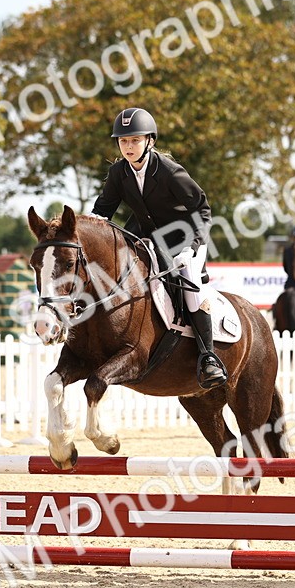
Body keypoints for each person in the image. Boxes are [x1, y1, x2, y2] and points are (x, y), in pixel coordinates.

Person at [89, 107, 228, 389]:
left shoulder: (169, 171)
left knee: (187, 275)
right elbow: (102, 213)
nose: (128, 146)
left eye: (134, 140)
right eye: (123, 141)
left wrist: (193, 246)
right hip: (146, 235)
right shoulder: (118, 172)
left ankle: (208, 356)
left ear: (149, 141)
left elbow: (202, 209)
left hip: (185, 236)